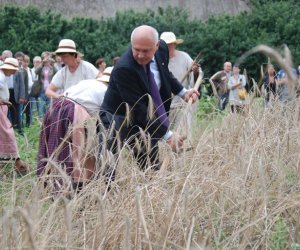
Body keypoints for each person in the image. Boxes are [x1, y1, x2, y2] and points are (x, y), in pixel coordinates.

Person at [99, 25, 199, 173]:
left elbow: (165, 74)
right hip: (117, 115)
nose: (140, 55)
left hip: (146, 111)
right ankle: (106, 192)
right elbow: (138, 109)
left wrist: (183, 92)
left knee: (149, 164)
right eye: (136, 49)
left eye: (145, 51)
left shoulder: (163, 49)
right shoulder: (124, 68)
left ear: (157, 46)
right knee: (108, 164)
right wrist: (168, 136)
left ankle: (150, 187)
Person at [37, 67, 112, 193]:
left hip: (56, 108)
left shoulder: (87, 82)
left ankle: (53, 183)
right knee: (77, 151)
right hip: (73, 112)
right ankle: (77, 186)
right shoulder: (107, 91)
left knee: (56, 148)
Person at [160, 31, 201, 126]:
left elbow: (195, 76)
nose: (167, 47)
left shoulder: (184, 57)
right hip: (163, 106)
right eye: (165, 45)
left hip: (182, 103)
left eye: (170, 44)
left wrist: (195, 71)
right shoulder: (157, 59)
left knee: (182, 133)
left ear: (175, 45)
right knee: (165, 135)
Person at [0, 58, 28, 174]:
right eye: (13, 70)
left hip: (2, 108)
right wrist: (2, 100)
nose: (14, 73)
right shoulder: (0, 77)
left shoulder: (2, 76)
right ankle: (17, 161)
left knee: (4, 133)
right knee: (7, 133)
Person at [35, 51, 57, 116]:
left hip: (50, 90)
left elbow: (57, 73)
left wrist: (52, 65)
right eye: (45, 58)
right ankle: (41, 122)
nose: (47, 60)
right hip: (42, 90)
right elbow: (35, 72)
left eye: (48, 58)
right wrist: (42, 63)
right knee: (41, 108)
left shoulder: (52, 68)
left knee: (49, 108)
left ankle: (49, 122)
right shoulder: (41, 67)